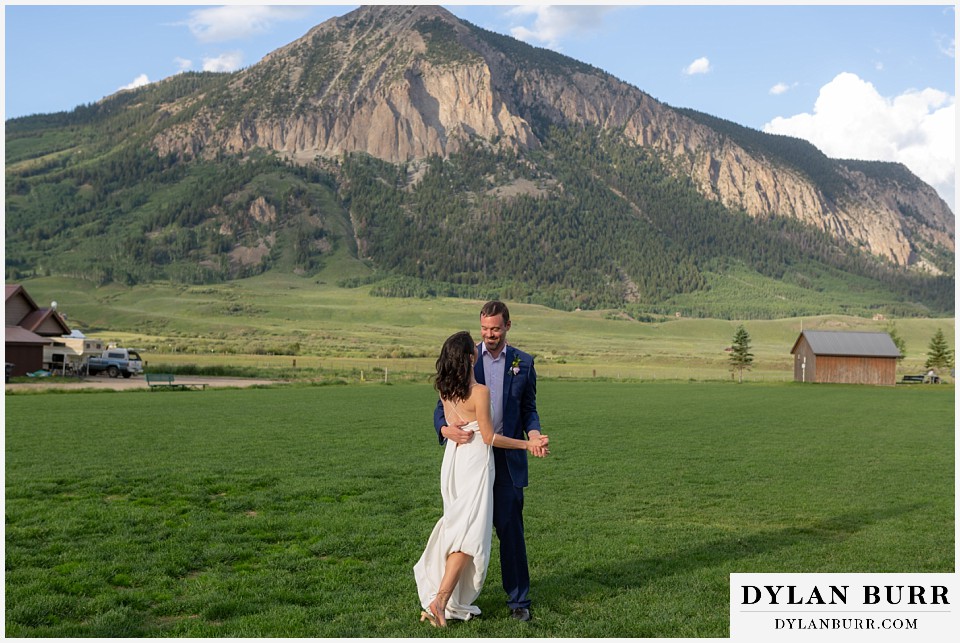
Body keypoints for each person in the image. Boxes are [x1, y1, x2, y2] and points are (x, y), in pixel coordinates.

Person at [415, 331, 548, 627]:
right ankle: (441, 599)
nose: (487, 335)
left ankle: (511, 601)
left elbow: (528, 408)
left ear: (507, 326)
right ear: (470, 357)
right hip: (476, 460)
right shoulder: (479, 390)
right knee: (469, 533)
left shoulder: (447, 385)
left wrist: (533, 432)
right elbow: (485, 435)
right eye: (483, 329)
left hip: (456, 461)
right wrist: (527, 444)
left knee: (479, 530)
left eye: (494, 329)